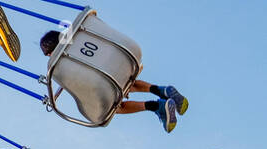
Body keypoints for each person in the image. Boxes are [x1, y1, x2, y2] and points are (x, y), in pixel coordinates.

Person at [39, 31, 189, 132]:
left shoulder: (60, 66)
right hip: (119, 61)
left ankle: (157, 106)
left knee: (112, 107)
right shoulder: (82, 36)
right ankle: (161, 90)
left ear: (51, 53)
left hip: (103, 82)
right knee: (125, 79)